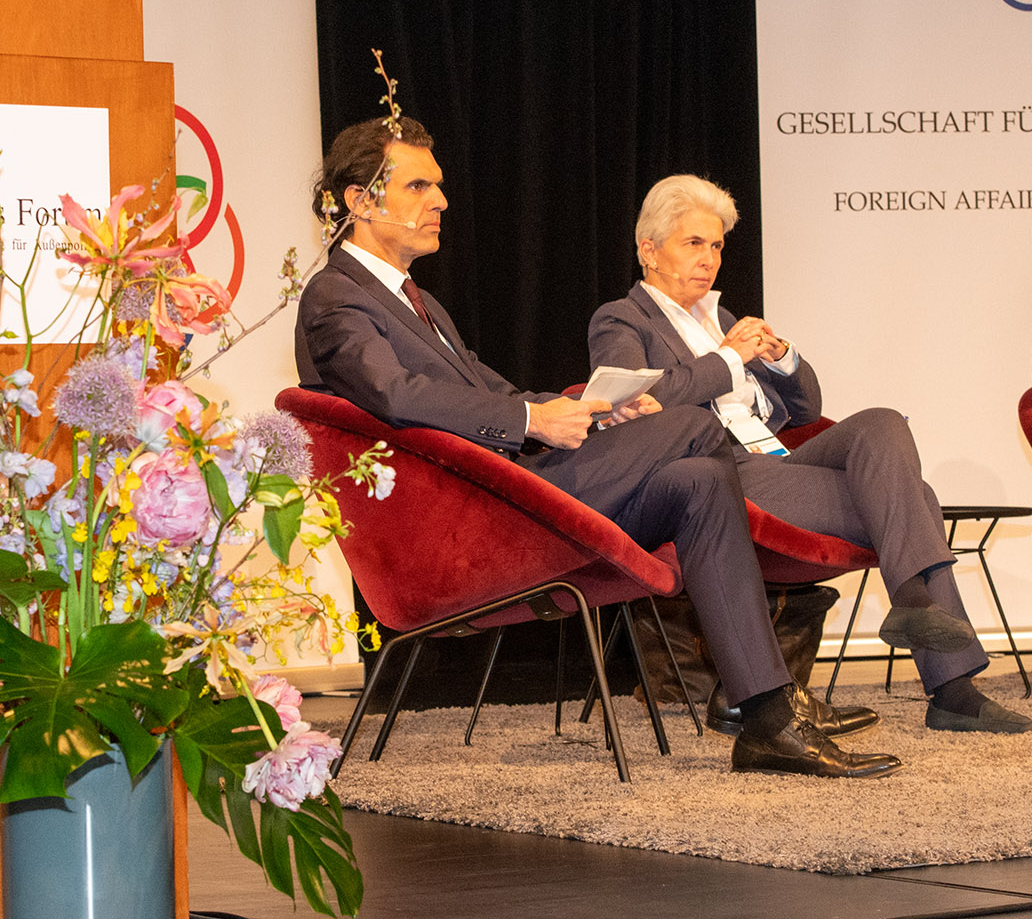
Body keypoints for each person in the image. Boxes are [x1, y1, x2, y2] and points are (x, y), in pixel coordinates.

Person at [296, 117, 902, 778]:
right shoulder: (335, 296)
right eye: (418, 186)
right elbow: (396, 394)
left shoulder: (417, 301)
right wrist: (534, 418)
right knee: (693, 425)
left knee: (699, 480)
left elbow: (489, 390)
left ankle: (764, 715)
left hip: (515, 486)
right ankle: (756, 696)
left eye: (437, 185)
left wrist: (590, 410)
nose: (440, 200)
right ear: (359, 200)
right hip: (483, 518)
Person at [590, 174, 1032, 735]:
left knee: (881, 422)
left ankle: (918, 611)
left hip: (776, 461)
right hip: (718, 477)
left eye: (718, 245)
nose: (710, 259)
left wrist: (781, 358)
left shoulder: (721, 320)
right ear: (649, 251)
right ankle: (949, 679)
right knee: (917, 497)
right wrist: (727, 360)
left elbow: (805, 411)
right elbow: (634, 403)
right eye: (694, 243)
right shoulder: (622, 319)